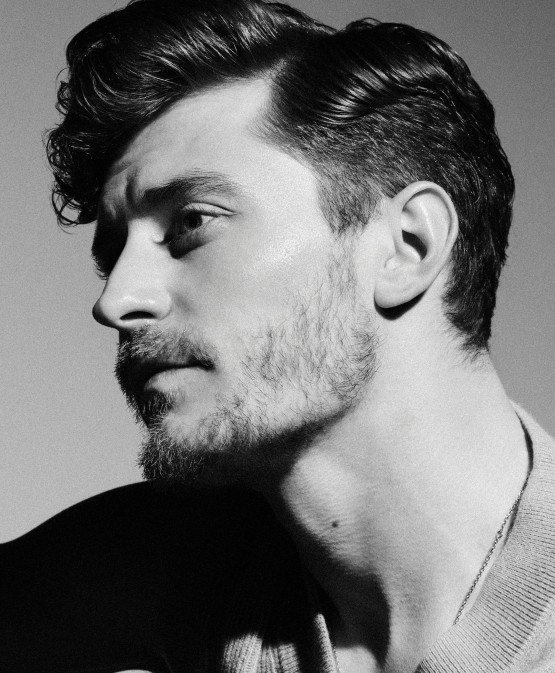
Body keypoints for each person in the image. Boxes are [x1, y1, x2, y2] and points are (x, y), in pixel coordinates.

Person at [1, 0, 553, 671]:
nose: (115, 300)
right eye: (113, 254)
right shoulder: (184, 567)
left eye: (192, 222)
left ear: (407, 245)